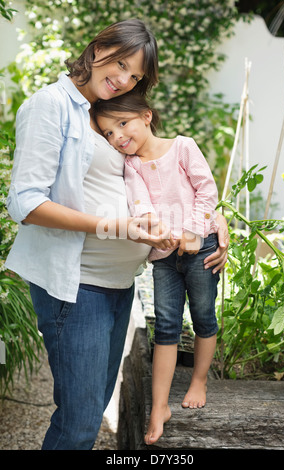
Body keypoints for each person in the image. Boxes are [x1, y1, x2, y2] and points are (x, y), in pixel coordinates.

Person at [5, 20, 228, 450]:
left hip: (117, 286)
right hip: (76, 285)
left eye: (135, 75)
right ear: (99, 46)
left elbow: (159, 181)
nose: (124, 79)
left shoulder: (106, 110)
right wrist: (119, 228)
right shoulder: (50, 105)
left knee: (90, 408)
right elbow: (26, 204)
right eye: (121, 63)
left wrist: (210, 221)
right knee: (79, 423)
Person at [93, 90, 224, 446]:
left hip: (202, 248)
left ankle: (199, 379)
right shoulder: (130, 164)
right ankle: (159, 407)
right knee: (165, 323)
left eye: (122, 124)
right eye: (108, 133)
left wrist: (195, 232)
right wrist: (158, 232)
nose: (118, 137)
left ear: (146, 116)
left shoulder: (183, 146)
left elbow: (206, 190)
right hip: (163, 256)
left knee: (202, 314)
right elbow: (141, 205)